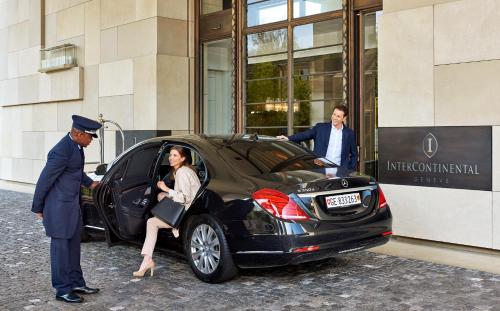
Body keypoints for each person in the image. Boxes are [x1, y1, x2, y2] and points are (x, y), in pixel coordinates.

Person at [31, 115, 102, 304]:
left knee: (73, 248)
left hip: (71, 206)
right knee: (61, 250)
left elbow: (75, 171)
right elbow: (45, 179)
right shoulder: (61, 151)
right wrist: (38, 206)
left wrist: (90, 183)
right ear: (78, 134)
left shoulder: (77, 147)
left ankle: (76, 283)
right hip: (59, 208)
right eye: (89, 137)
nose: (90, 141)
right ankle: (62, 289)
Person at [133, 146, 201, 277]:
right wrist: (165, 192)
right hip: (187, 209)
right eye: (170, 155)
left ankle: (147, 261)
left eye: (175, 155)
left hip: (185, 213)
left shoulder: (183, 172)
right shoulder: (184, 170)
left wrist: (166, 189)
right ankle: (148, 260)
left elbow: (185, 198)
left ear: (183, 158)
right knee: (160, 197)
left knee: (152, 222)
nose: (170, 158)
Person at [277, 105, 358, 170]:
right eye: (334, 114)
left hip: (341, 169)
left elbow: (354, 154)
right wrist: (288, 138)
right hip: (321, 168)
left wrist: (350, 168)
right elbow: (305, 135)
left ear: (344, 118)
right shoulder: (320, 128)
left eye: (338, 116)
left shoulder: (349, 133)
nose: (334, 118)